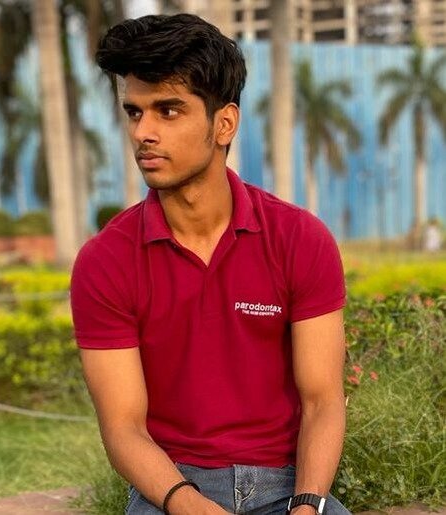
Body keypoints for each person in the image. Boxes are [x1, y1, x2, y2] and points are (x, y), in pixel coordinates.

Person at [70, 13, 350, 515]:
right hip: (171, 488)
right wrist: (188, 503)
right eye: (134, 112)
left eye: (168, 110)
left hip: (288, 485)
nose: (143, 132)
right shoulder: (105, 262)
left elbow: (322, 402)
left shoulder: (300, 240)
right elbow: (123, 428)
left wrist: (308, 506)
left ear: (224, 124)